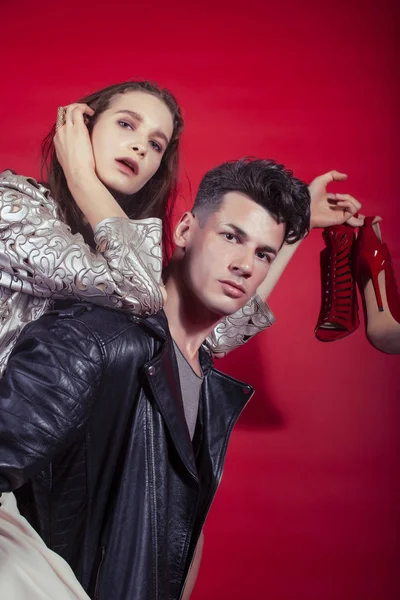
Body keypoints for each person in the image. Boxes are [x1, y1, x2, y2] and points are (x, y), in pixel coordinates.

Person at [0, 158, 361, 600]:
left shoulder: (204, 378)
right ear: (186, 230)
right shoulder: (93, 339)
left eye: (263, 254)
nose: (245, 265)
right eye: (231, 237)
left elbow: (178, 534)